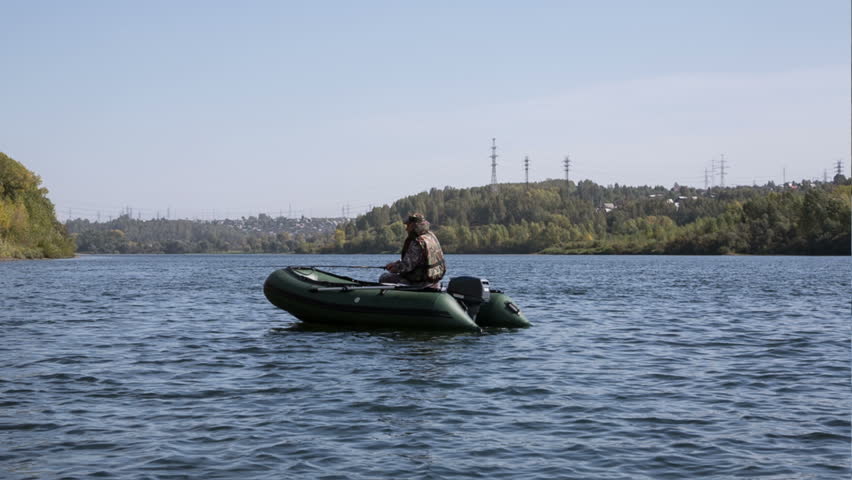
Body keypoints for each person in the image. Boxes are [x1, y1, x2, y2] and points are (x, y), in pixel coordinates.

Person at [379, 213, 446, 288]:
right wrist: (397, 263)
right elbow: (419, 260)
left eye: (408, 225)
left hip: (420, 283)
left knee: (384, 278)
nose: (406, 229)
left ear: (414, 226)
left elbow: (406, 266)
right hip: (434, 281)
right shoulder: (431, 236)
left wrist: (394, 268)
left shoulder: (417, 242)